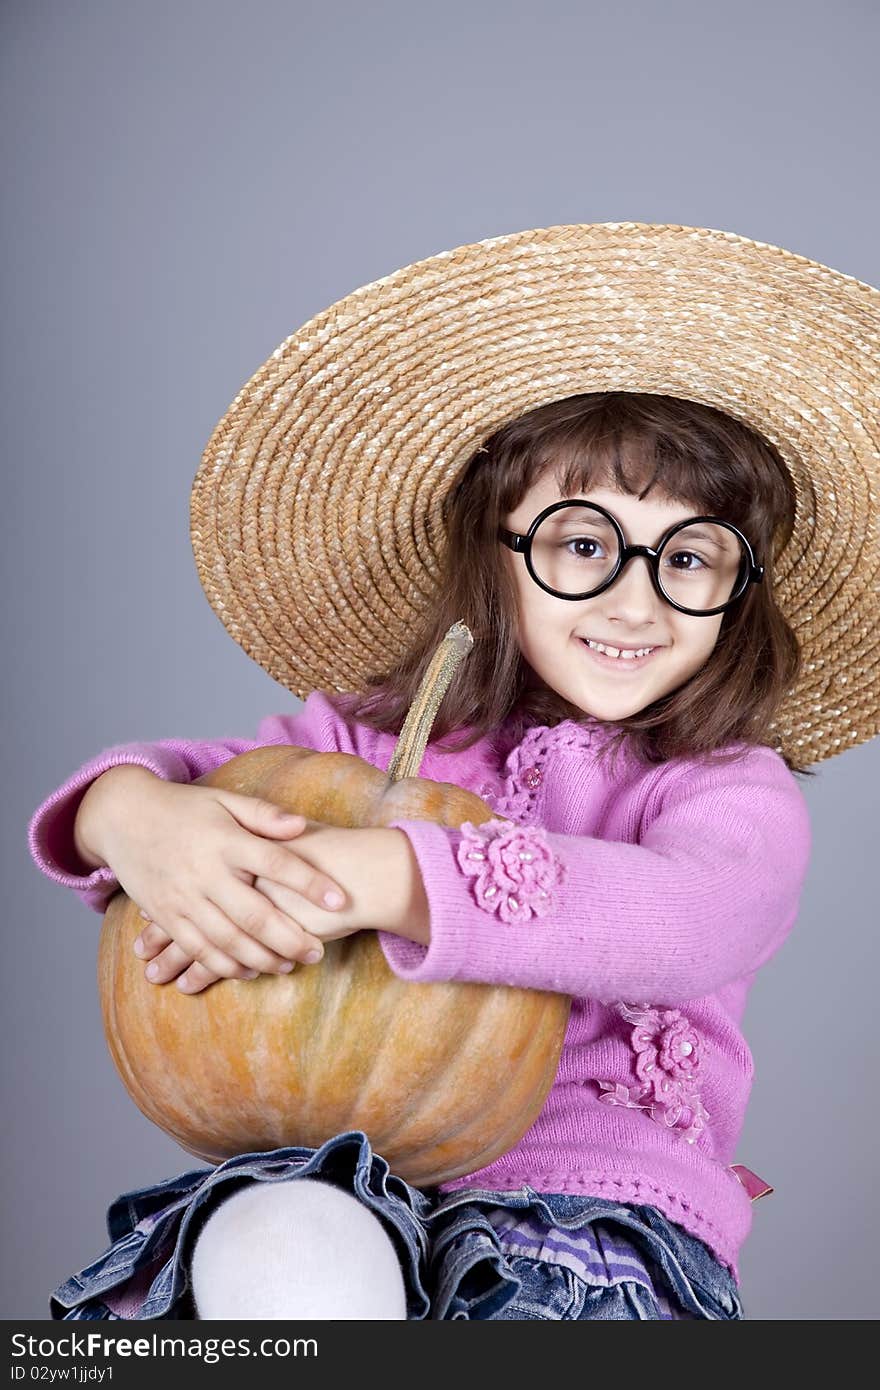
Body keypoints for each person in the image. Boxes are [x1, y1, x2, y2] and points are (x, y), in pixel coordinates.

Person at [28, 223, 879, 1321]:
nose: (636, 600)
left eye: (688, 558)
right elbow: (217, 777)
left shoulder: (718, 787)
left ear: (737, 592)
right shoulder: (374, 742)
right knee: (269, 1241)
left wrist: (395, 877)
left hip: (588, 1219)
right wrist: (128, 814)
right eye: (584, 544)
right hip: (334, 1169)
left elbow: (692, 916)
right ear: (495, 549)